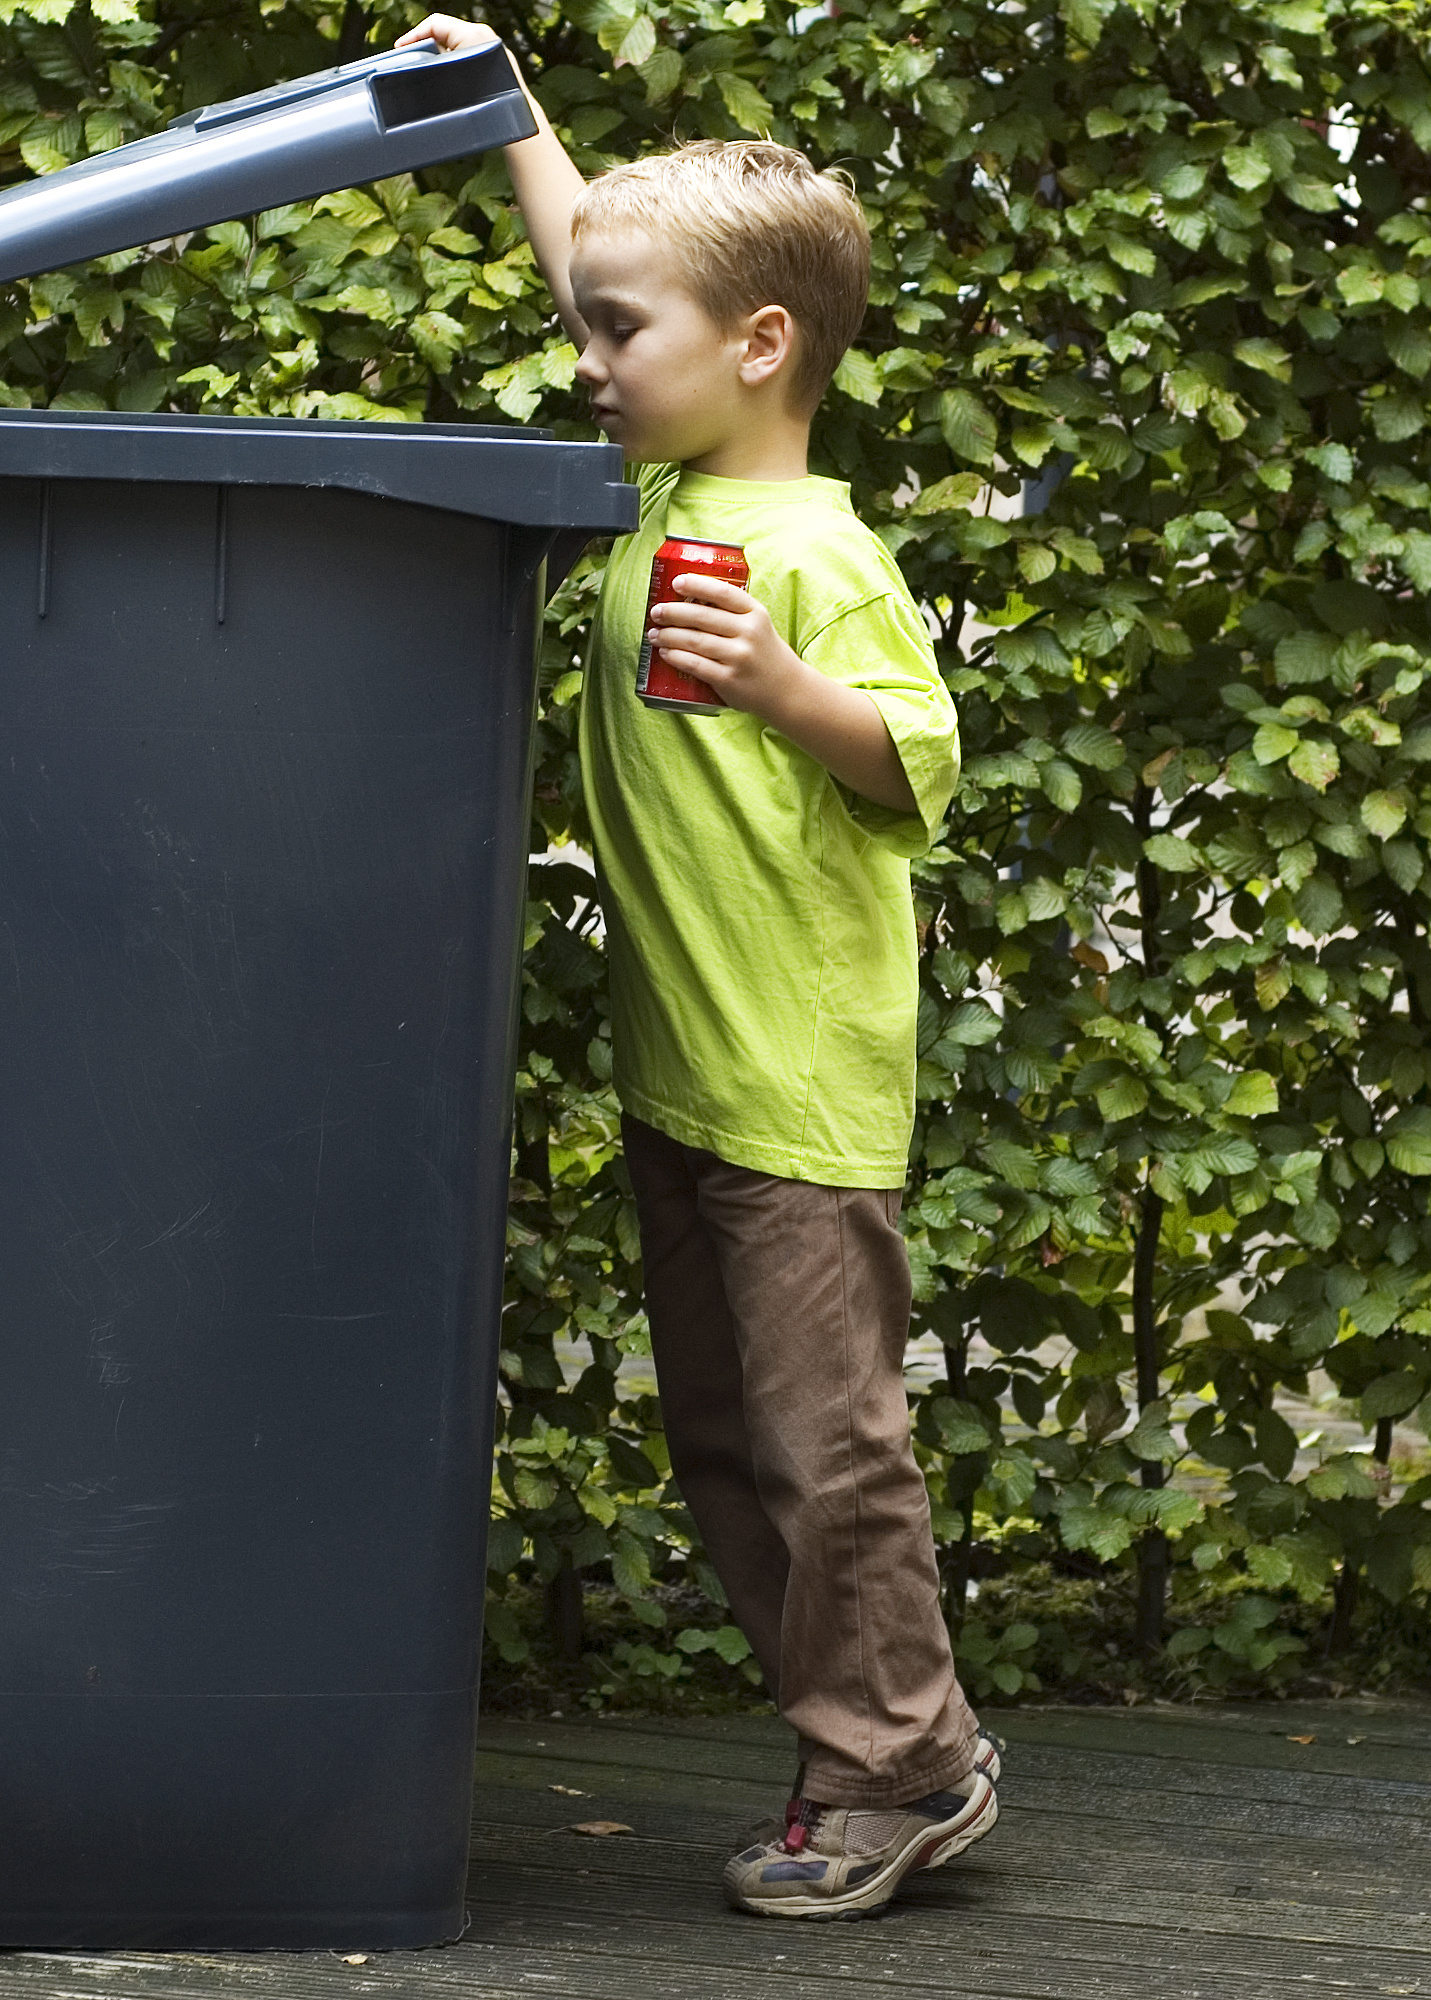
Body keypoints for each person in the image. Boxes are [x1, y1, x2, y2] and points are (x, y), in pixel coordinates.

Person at [393, 14, 998, 1921]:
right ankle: (889, 1737)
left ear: (759, 352)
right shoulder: (662, 490)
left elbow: (924, 761)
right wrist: (514, 115)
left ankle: (898, 1767)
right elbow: (607, 248)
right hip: (688, 1076)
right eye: (588, 327)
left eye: (616, 339)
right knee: (732, 1439)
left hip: (801, 1095)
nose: (585, 360)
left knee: (835, 1453)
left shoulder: (816, 550)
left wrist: (790, 692)